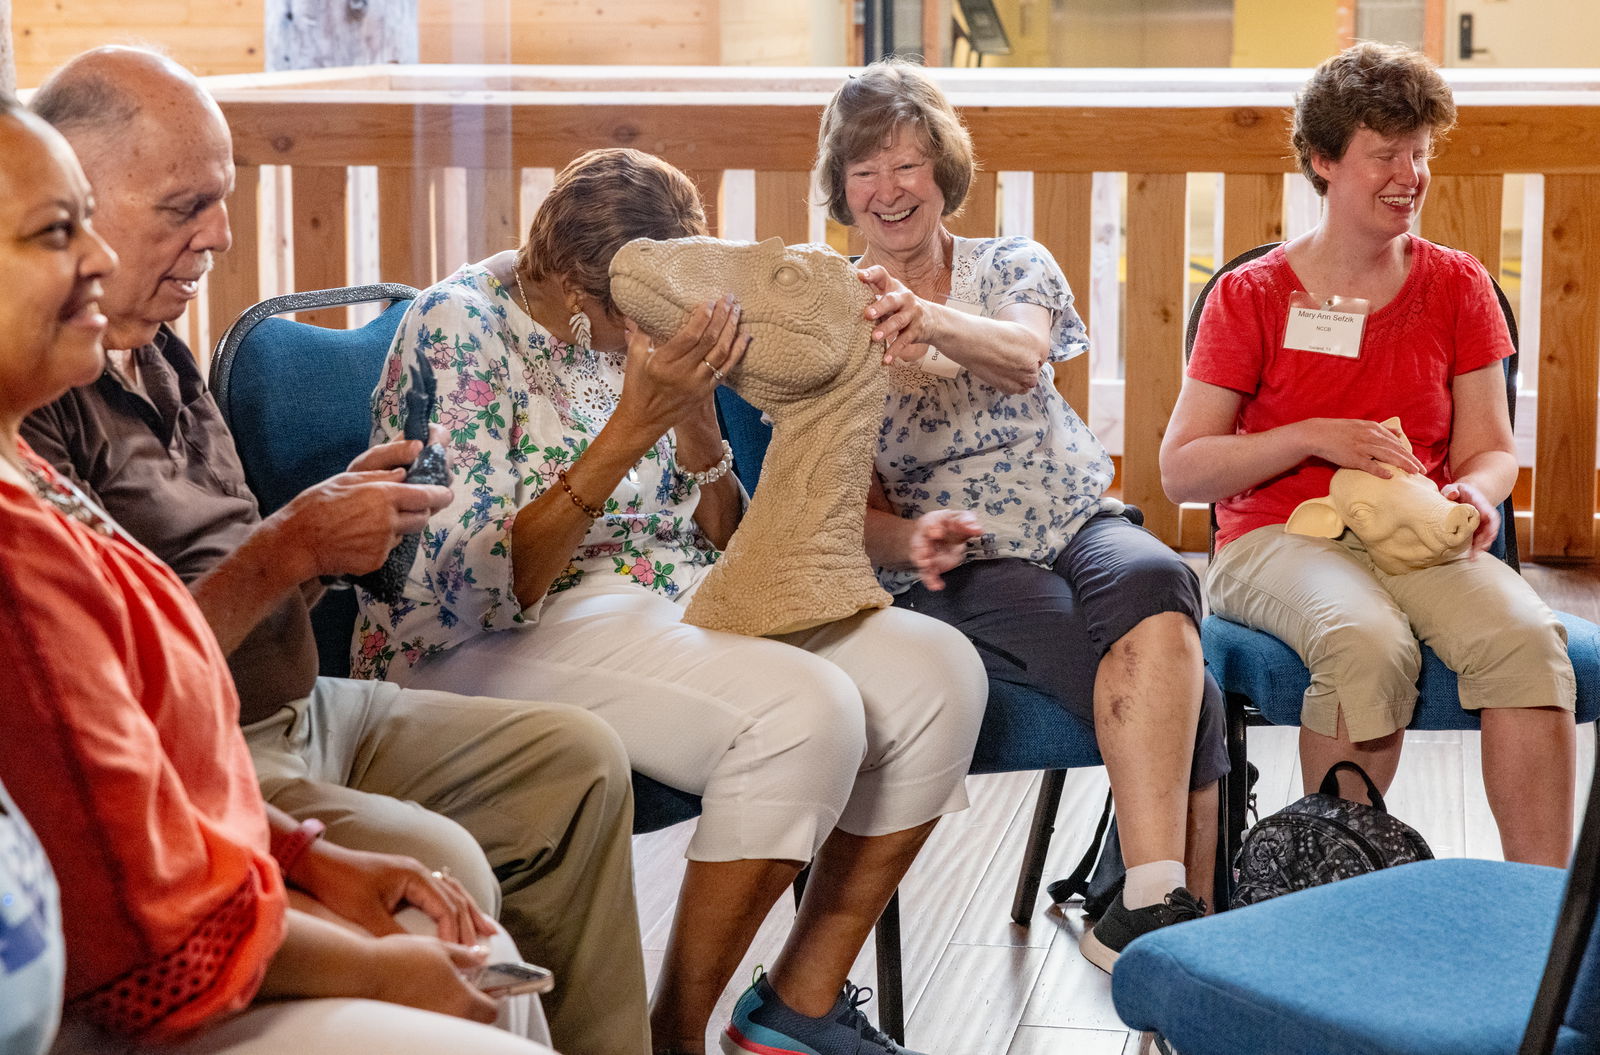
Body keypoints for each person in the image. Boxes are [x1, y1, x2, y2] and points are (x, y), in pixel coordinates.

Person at [21, 47, 647, 1055]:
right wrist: (291, 548)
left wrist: (333, 531)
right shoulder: (40, 414)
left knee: (577, 761)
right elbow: (122, 701)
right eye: (184, 206)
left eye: (224, 202)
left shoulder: (157, 337)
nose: (218, 236)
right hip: (220, 747)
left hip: (304, 703)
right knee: (447, 874)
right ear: (75, 212)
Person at [352, 145, 989, 1055]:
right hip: (491, 633)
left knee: (938, 674)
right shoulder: (459, 326)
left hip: (668, 592)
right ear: (579, 289)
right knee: (806, 713)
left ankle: (793, 1005)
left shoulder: (661, 322)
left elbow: (720, 535)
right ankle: (672, 1035)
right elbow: (478, 584)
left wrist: (696, 425)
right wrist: (633, 422)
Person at [814, 59, 1228, 972]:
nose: (889, 190)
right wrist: (911, 539)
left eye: (909, 164)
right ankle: (1180, 923)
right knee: (1175, 690)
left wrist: (923, 315)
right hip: (962, 555)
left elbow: (1022, 357)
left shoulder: (1011, 264)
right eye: (865, 170)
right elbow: (853, 508)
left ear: (943, 173)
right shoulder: (829, 316)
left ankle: (1146, 903)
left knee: (1162, 578)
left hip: (1075, 512)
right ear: (842, 189)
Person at [1161, 42, 1576, 866]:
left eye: (1420, 153)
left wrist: (1477, 497)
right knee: (1365, 640)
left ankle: (1542, 922)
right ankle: (1336, 893)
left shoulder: (1457, 285)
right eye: (1385, 154)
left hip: (1417, 533)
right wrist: (1312, 435)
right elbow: (1183, 468)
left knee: (1529, 639)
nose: (1409, 175)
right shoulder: (1252, 296)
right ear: (1323, 159)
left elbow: (1491, 449)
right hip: (1278, 538)